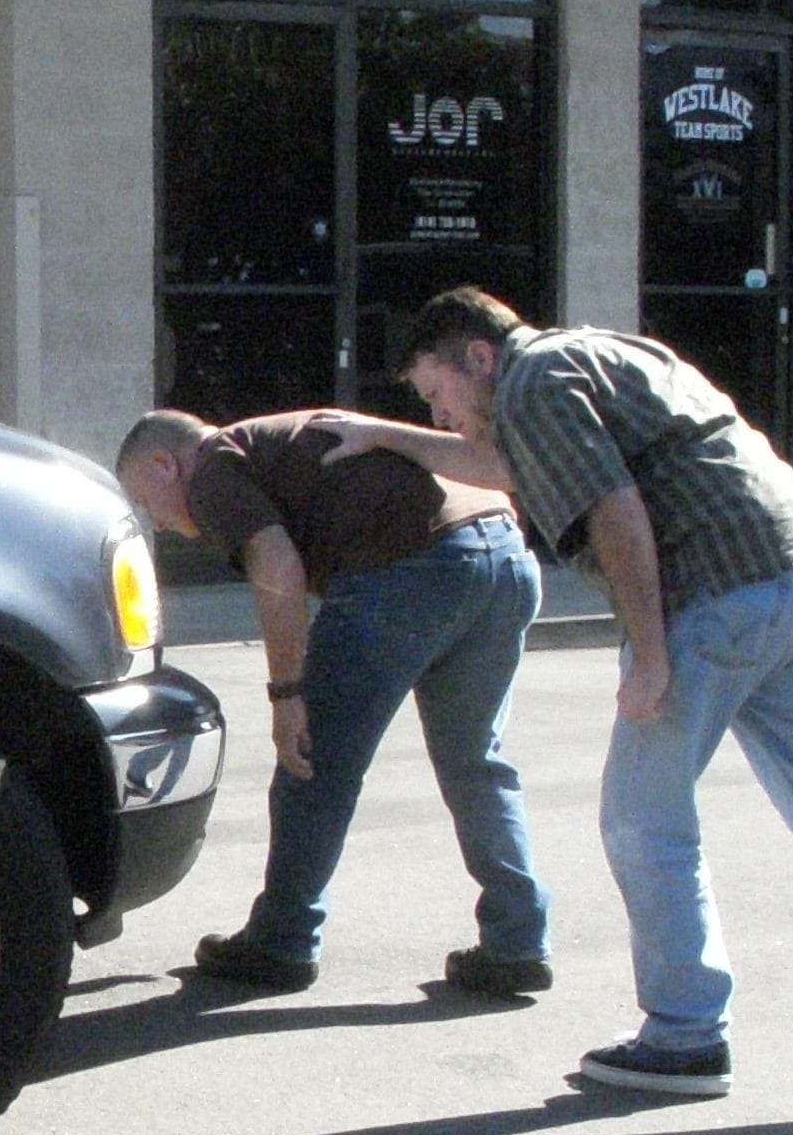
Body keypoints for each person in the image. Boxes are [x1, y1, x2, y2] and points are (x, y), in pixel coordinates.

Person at [319, 286, 793, 1104]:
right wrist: (385, 437)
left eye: (437, 393)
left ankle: (685, 1037)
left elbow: (615, 510)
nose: (442, 417)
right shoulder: (597, 354)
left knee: (642, 819)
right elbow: (517, 469)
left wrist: (648, 655)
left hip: (722, 597)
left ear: (477, 358)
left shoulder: (532, 383)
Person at [117, 406, 549, 999]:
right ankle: (517, 943)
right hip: (504, 554)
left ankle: (282, 939)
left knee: (312, 764)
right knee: (476, 762)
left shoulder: (214, 467)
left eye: (147, 502)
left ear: (168, 463)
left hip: (409, 568)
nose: (156, 525)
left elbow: (278, 568)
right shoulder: (271, 445)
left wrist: (286, 695)